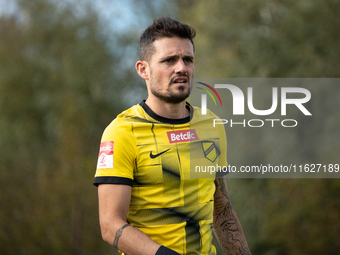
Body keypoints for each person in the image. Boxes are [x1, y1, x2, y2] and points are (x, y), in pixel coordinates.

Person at [94, 17, 251, 255]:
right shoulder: (121, 132)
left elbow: (221, 209)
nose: (181, 68)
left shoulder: (211, 125)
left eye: (187, 59)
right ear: (142, 69)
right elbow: (110, 225)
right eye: (169, 60)